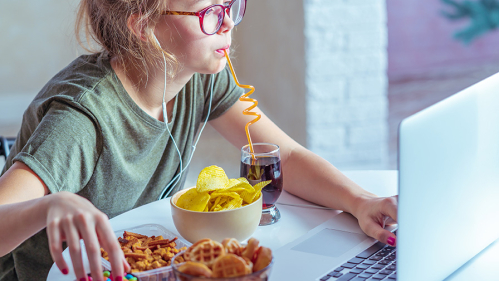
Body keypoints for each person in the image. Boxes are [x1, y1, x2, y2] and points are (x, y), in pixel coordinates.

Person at [0, 0, 398, 280]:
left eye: (228, 6)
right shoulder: (81, 119)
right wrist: (50, 205)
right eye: (209, 13)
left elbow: (285, 155)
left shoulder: (200, 75)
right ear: (143, 26)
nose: (227, 23)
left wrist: (360, 202)